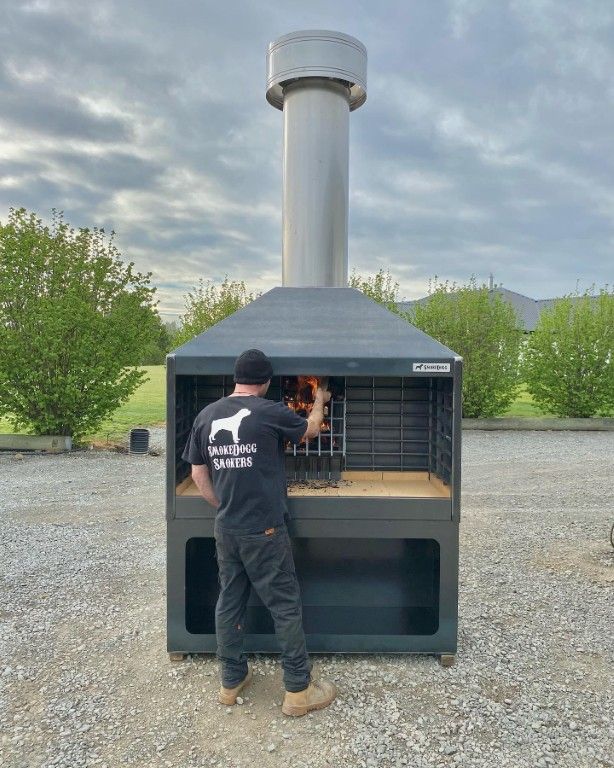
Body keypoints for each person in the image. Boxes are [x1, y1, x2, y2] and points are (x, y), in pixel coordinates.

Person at [181, 348, 337, 717]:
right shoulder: (268, 411)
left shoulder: (207, 416)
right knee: (284, 605)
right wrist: (318, 400)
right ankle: (298, 690)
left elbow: (197, 473)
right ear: (265, 382)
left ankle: (231, 681)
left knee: (230, 600)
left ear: (236, 378)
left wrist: (223, 506)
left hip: (227, 528)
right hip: (265, 530)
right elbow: (311, 431)